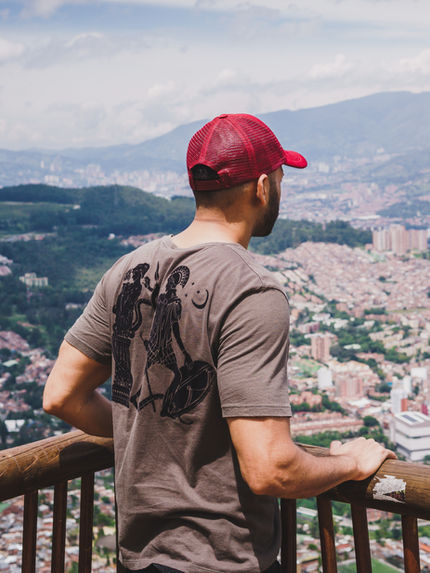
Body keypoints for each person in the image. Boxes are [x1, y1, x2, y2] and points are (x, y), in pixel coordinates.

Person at [43, 113, 396, 573]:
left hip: (137, 557)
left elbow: (61, 395)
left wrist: (147, 433)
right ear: (262, 187)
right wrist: (350, 464)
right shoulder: (252, 290)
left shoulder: (127, 269)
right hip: (221, 559)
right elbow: (270, 468)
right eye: (281, 179)